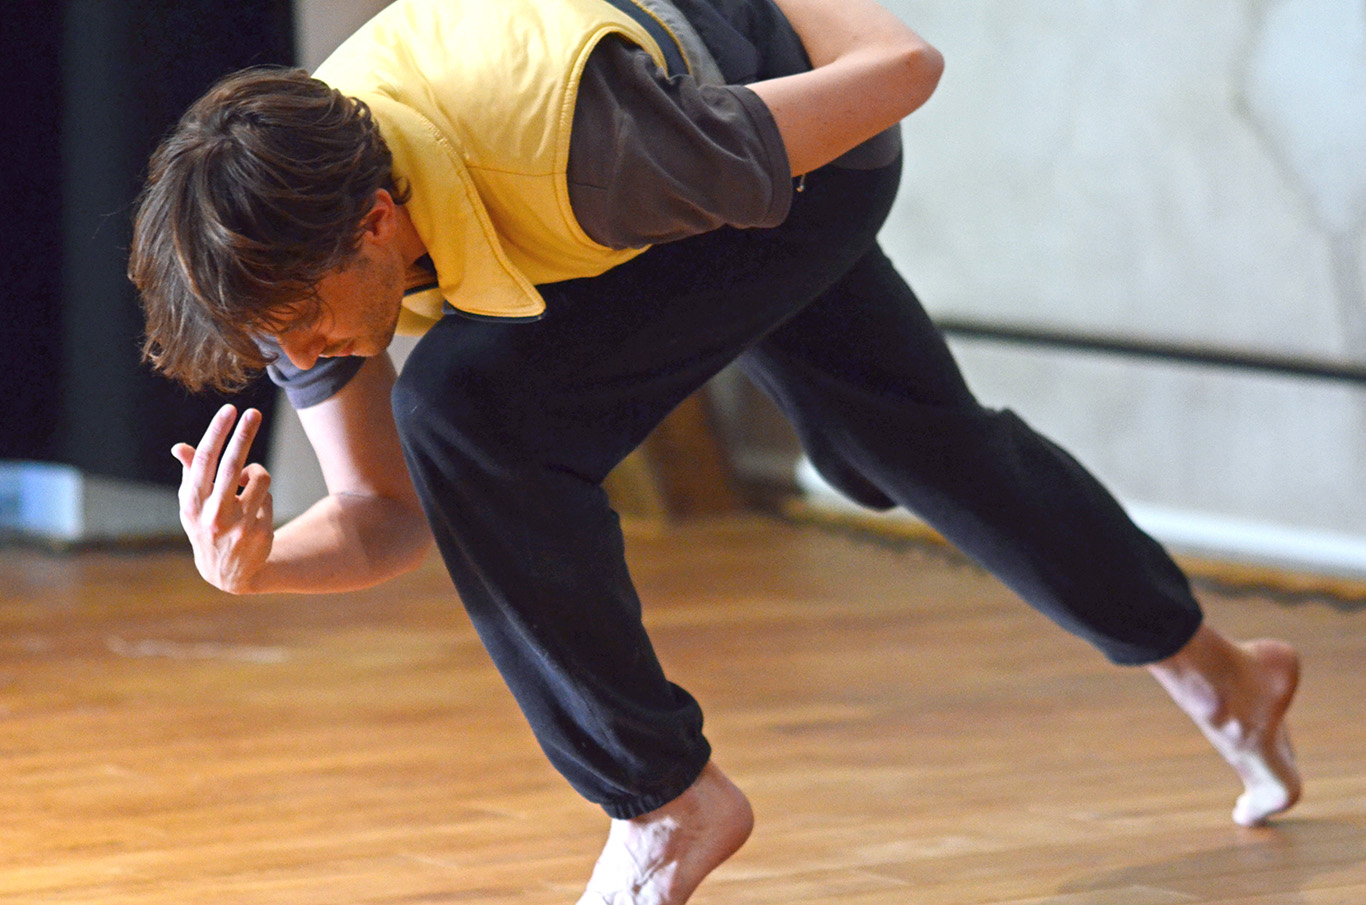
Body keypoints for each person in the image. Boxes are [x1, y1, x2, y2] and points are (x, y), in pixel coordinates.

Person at [129, 0, 1302, 902]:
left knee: (467, 410)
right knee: (911, 440)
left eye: (305, 328)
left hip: (799, 149)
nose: (303, 355)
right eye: (279, 342)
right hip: (631, 192)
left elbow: (901, 74)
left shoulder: (591, 149)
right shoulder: (286, 244)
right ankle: (1226, 672)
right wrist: (255, 566)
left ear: (378, 222)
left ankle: (662, 801)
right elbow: (385, 513)